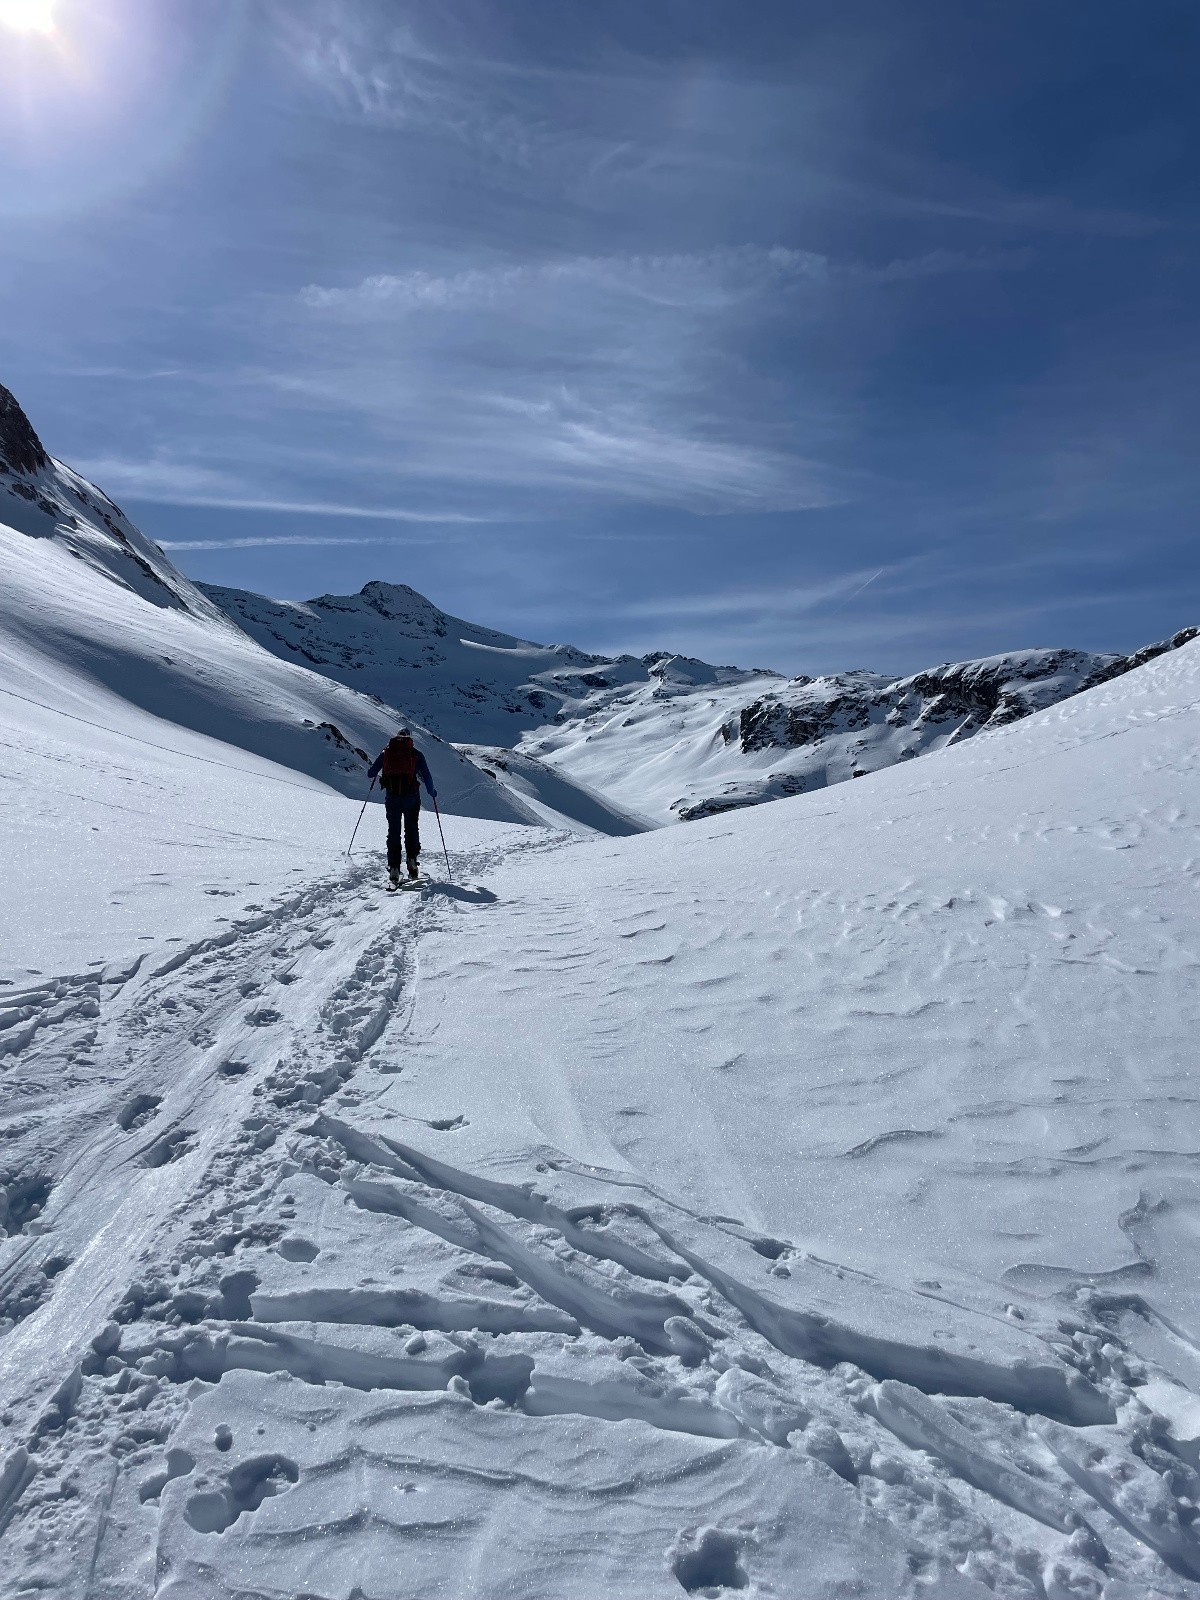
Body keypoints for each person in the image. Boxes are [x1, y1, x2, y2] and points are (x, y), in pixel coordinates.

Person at [367, 729, 436, 885]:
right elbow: (427, 776)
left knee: (394, 832)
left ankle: (394, 868)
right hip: (411, 798)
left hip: (392, 799)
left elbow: (371, 773)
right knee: (411, 829)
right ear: (410, 739)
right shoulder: (416, 754)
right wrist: (432, 792)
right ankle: (412, 860)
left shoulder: (386, 752)